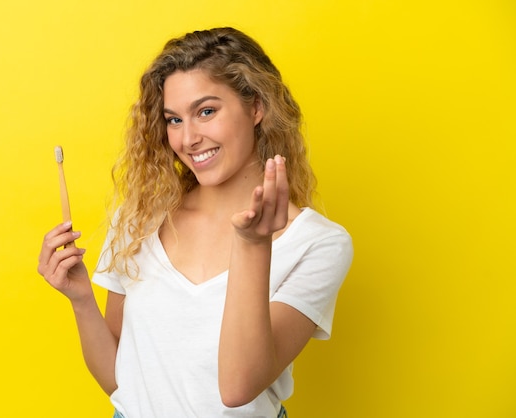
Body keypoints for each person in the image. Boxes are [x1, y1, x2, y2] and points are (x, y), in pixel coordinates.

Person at [37, 27, 353, 418]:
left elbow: (238, 387)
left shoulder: (318, 244)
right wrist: (82, 299)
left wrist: (254, 246)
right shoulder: (138, 219)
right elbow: (123, 384)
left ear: (256, 107)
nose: (188, 139)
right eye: (174, 120)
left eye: (206, 112)